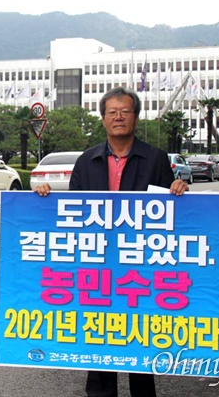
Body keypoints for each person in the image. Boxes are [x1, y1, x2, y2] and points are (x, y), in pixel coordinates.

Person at [34, 86, 188, 397]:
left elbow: (171, 213)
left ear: (136, 117)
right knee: (101, 334)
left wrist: (178, 186)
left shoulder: (155, 158)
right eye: (112, 112)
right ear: (103, 119)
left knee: (140, 335)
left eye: (125, 112)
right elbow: (72, 214)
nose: (118, 117)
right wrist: (46, 198)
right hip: (98, 266)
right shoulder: (86, 160)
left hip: (140, 264)